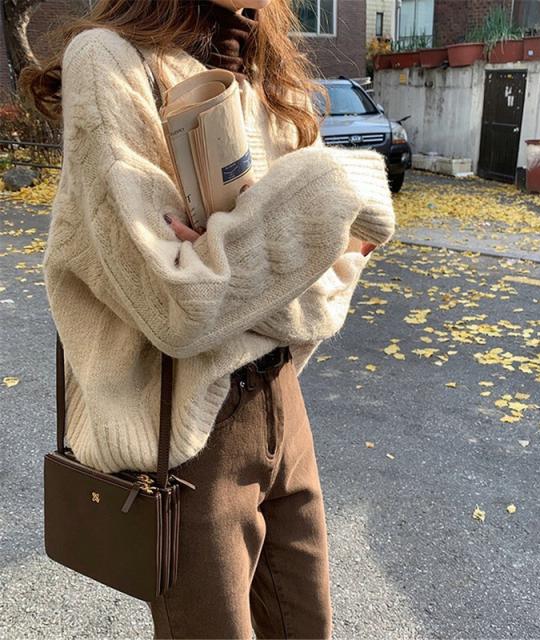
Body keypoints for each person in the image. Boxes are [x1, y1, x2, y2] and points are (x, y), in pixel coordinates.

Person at [21, 0, 395, 637]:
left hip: (283, 402)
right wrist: (332, 190)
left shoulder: (266, 75)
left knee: (309, 626)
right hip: (191, 436)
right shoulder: (111, 58)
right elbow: (180, 307)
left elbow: (331, 279)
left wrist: (235, 258)